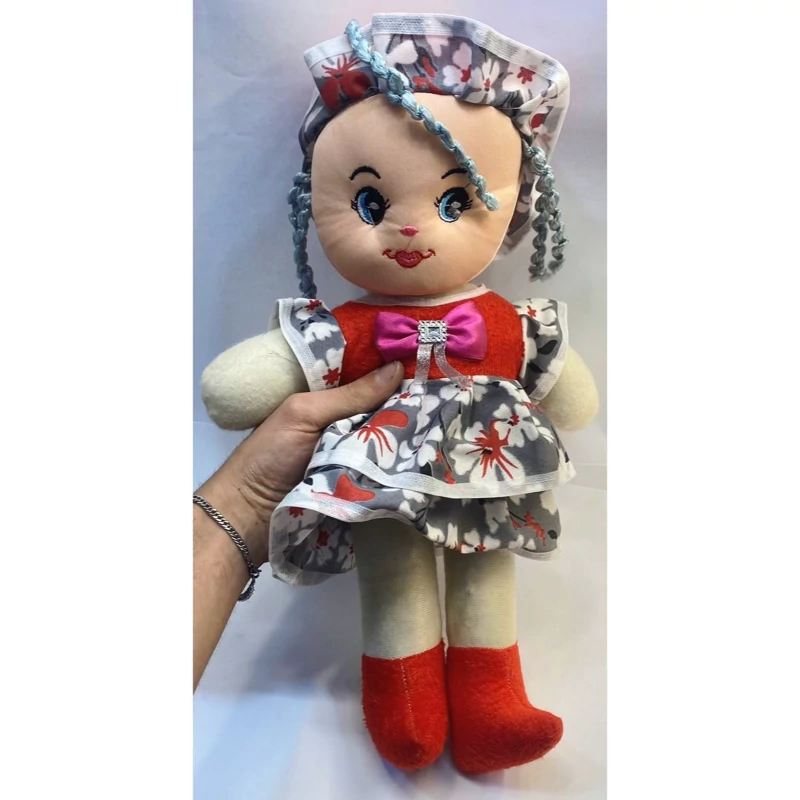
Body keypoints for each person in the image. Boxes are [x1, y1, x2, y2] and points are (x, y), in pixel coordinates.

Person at [193, 361, 403, 689]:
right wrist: (246, 502)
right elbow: (227, 392)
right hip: (364, 482)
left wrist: (243, 503)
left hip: (473, 463)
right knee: (396, 585)